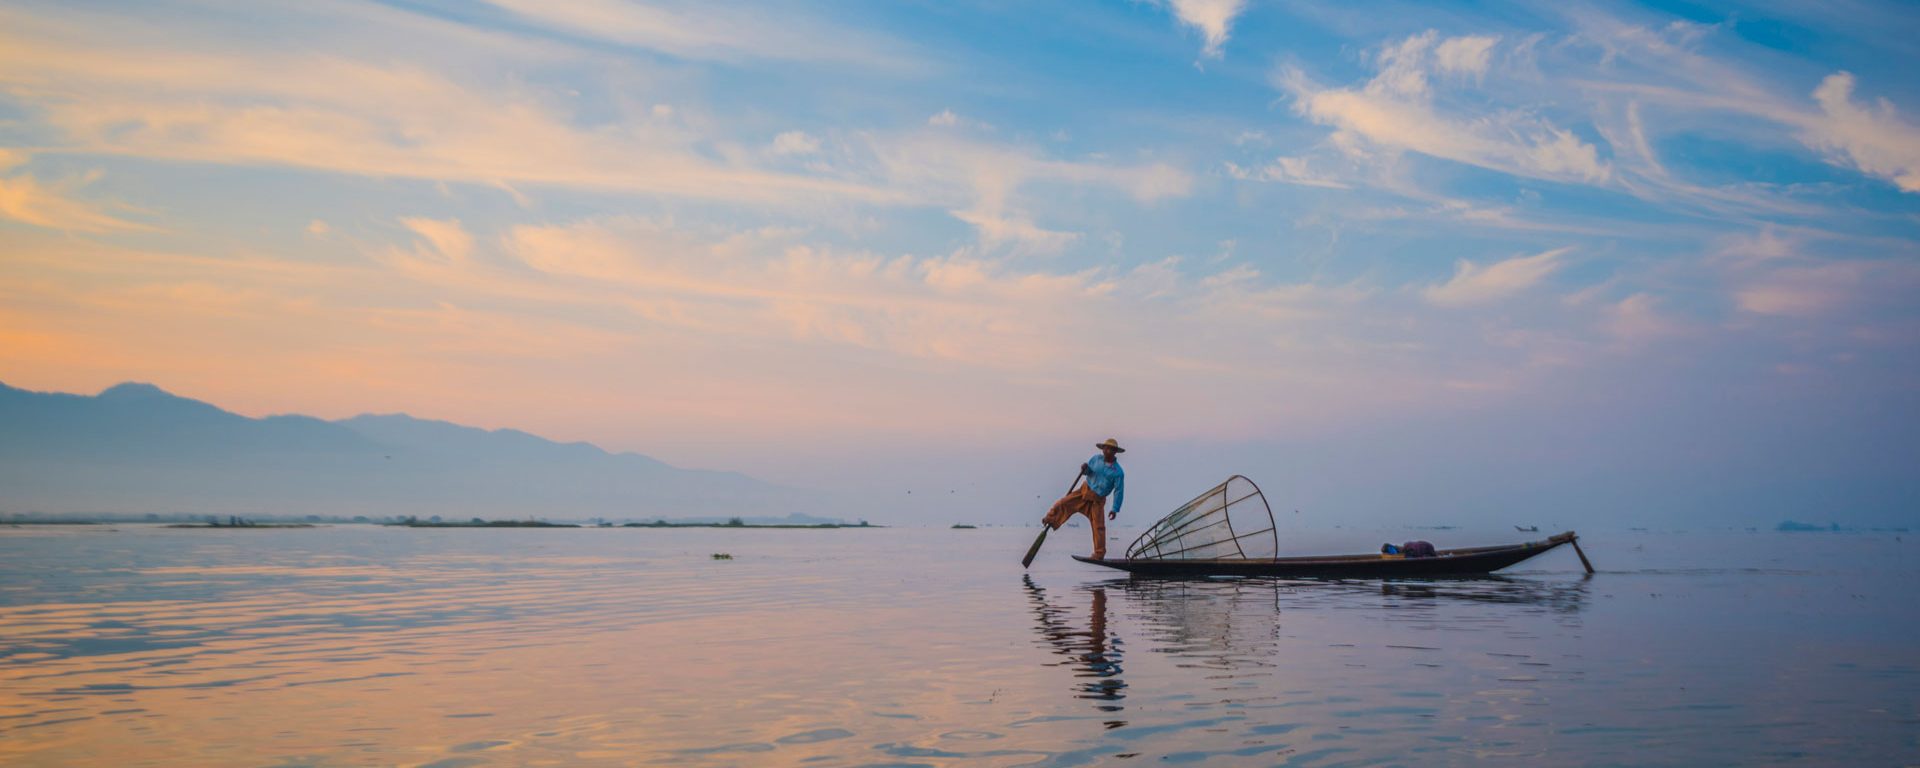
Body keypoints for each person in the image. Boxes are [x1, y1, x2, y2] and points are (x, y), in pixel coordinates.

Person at [1042, 438, 1127, 559]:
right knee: (1063, 503)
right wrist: (1085, 468)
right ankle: (1050, 519)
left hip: (1097, 500)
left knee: (1099, 527)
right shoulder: (1095, 459)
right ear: (1103, 449)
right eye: (1106, 448)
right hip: (1083, 492)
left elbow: (1119, 491)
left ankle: (1099, 554)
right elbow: (1088, 472)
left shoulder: (1118, 472)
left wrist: (1114, 509)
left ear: (1115, 452)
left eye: (1111, 449)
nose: (1108, 451)